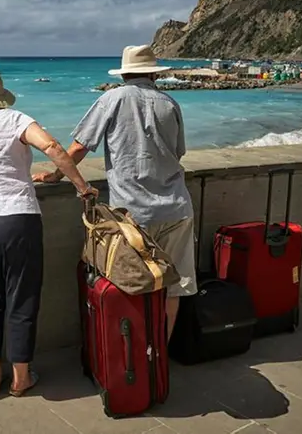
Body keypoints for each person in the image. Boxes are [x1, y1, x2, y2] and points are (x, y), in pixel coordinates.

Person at [33, 45, 196, 342]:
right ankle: (160, 354)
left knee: (132, 284)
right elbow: (178, 153)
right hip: (176, 207)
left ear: (124, 73)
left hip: (132, 215)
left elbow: (80, 146)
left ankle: (135, 356)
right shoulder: (170, 103)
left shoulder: (112, 99)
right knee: (175, 287)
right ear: (153, 74)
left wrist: (56, 175)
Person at [0, 70, 99, 398]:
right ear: (1, 95)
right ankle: (20, 377)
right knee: (22, 296)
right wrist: (81, 186)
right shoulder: (16, 120)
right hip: (17, 218)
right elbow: (52, 146)